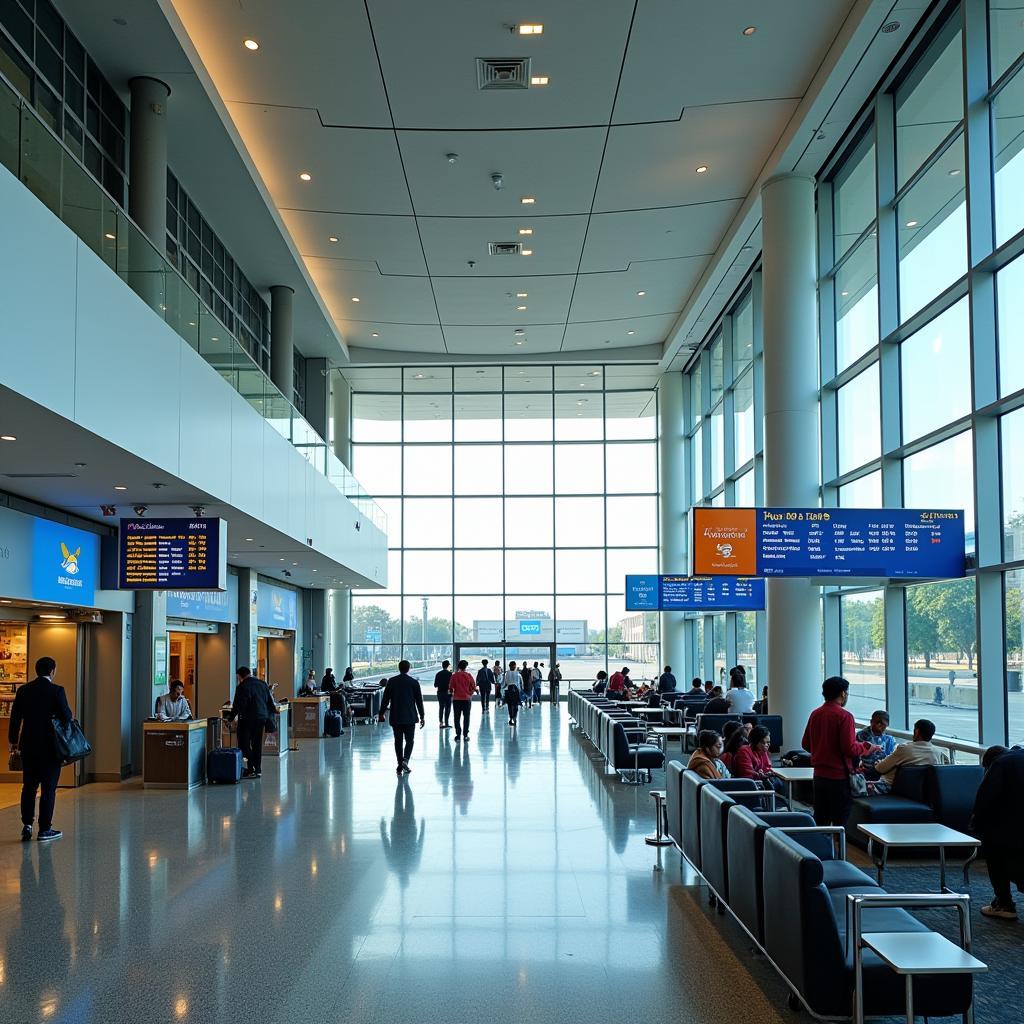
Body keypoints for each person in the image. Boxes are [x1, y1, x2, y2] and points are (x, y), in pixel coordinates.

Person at [7, 656, 72, 842]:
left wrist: (13, 740)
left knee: (28, 787)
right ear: (52, 671)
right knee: (48, 788)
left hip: (28, 745)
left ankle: (27, 825)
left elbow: (15, 718)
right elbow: (67, 716)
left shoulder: (23, 690)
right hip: (51, 747)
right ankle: (45, 829)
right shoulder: (57, 691)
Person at [801, 676, 881, 826]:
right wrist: (865, 747)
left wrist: (822, 749)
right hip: (838, 778)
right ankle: (838, 849)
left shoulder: (815, 714)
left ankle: (821, 849)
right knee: (840, 822)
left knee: (821, 820)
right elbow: (849, 748)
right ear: (843, 693)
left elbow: (805, 744)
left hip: (819, 776)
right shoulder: (845, 716)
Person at [971, 745, 1024, 919]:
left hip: (1008, 828)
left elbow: (985, 798)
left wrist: (976, 824)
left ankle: (1004, 904)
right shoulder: (1017, 756)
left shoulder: (1000, 764)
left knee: (996, 856)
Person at [228, 667, 278, 779]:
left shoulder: (242, 687)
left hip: (247, 719)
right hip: (261, 718)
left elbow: (238, 705)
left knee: (243, 743)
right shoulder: (262, 684)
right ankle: (256, 769)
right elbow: (269, 702)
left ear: (240, 676)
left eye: (238, 677)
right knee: (257, 744)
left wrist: (231, 718)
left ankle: (252, 766)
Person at [872, 719, 950, 787]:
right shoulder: (940, 754)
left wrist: (878, 764)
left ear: (917, 732)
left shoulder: (905, 749)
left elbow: (880, 768)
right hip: (922, 794)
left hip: (892, 788)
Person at [379, 661, 425, 774]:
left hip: (396, 716)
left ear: (399, 668)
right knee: (410, 741)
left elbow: (385, 699)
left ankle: (400, 764)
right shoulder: (414, 682)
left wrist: (381, 713)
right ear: (409, 668)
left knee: (398, 741)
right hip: (410, 716)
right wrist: (422, 716)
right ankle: (405, 760)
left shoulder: (392, 681)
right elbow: (419, 701)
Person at [855, 710, 897, 788]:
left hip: (882, 771)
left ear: (887, 725)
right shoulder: (862, 735)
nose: (878, 725)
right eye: (876, 722)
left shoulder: (890, 739)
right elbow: (856, 755)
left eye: (882, 723)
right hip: (865, 771)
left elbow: (891, 757)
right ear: (871, 722)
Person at [732, 726, 781, 792]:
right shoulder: (744, 751)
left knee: (779, 782)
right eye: (763, 742)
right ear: (755, 741)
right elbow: (746, 774)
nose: (766, 745)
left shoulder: (763, 751)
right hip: (748, 786)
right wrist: (759, 775)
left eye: (768, 742)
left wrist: (767, 773)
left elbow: (767, 767)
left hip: (759, 782)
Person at [449, 659, 477, 742]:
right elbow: (473, 686)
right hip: (466, 699)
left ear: (459, 667)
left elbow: (450, 688)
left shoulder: (454, 676)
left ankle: (458, 735)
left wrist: (453, 693)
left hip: (457, 699)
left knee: (457, 718)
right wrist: (470, 693)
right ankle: (465, 735)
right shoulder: (468, 676)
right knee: (466, 717)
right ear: (466, 667)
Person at [504, 660, 523, 727]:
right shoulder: (518, 674)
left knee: (509, 705)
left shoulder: (507, 673)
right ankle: (514, 717)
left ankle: (511, 717)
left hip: (508, 690)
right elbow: (520, 684)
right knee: (515, 705)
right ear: (515, 666)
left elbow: (505, 683)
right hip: (516, 691)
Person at [434, 660, 453, 728]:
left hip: (440, 692)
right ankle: (447, 723)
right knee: (448, 708)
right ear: (448, 666)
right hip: (448, 693)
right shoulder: (450, 674)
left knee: (441, 707)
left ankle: (441, 722)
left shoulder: (438, 674)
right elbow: (452, 685)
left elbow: (435, 685)